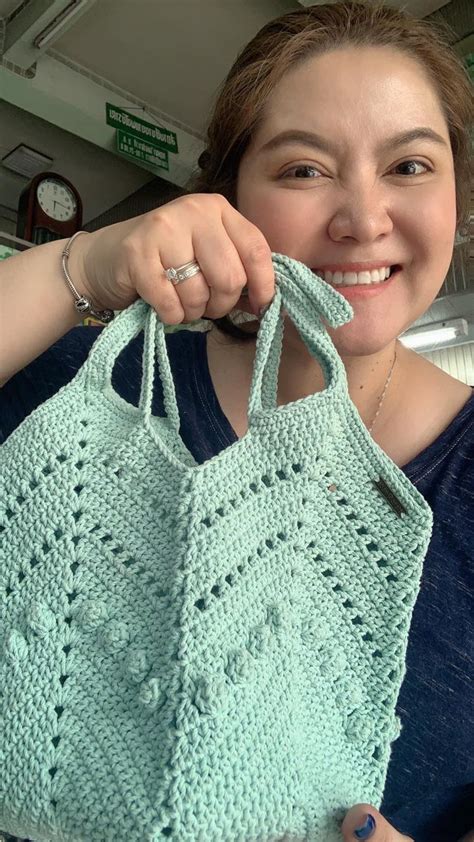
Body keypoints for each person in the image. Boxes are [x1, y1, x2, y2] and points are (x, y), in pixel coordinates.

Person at [1, 1, 473, 841]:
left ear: (457, 197)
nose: (363, 218)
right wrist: (87, 261)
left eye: (409, 166)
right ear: (230, 197)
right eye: (302, 169)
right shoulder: (98, 398)